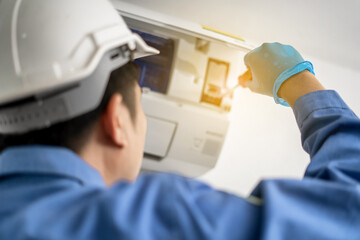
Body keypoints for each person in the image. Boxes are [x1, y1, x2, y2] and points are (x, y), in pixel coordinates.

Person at [0, 0, 359, 239]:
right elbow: (349, 212)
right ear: (117, 121)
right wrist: (298, 81)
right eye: (139, 106)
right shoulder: (152, 219)